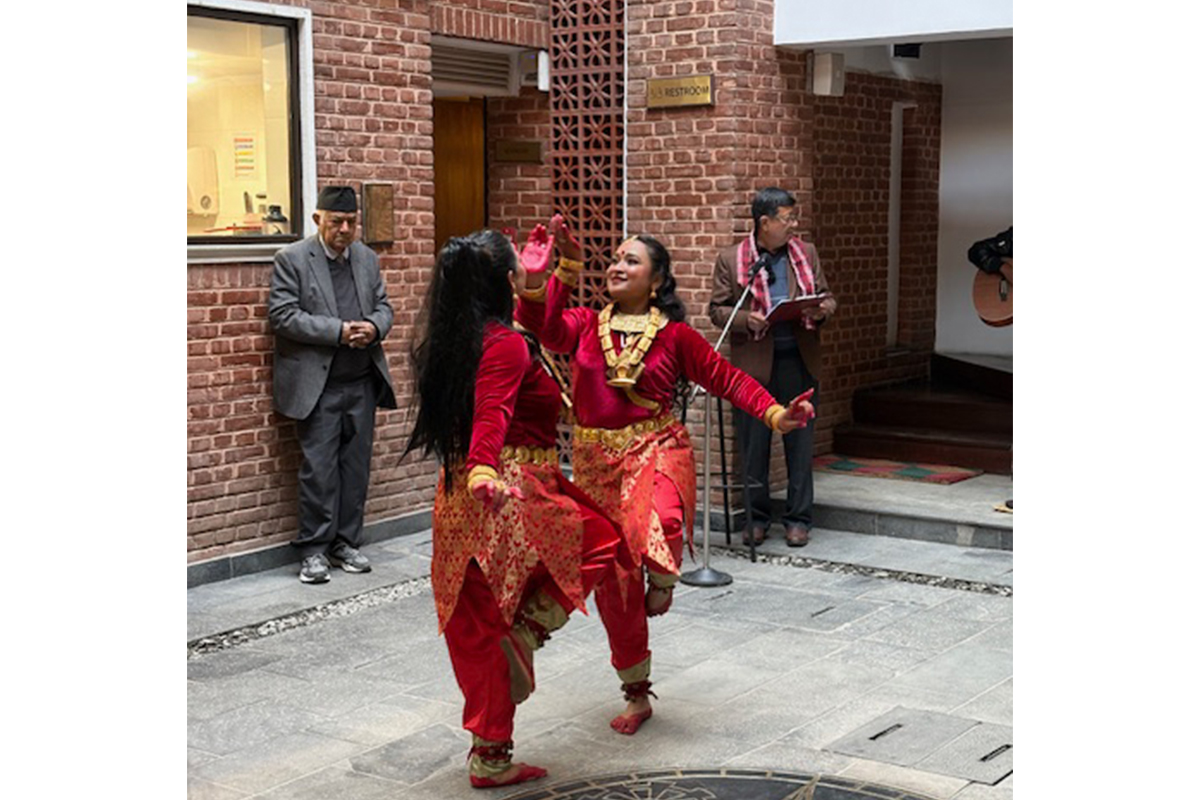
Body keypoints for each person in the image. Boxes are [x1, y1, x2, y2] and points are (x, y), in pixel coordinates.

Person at [517, 219, 813, 736]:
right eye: (614, 258)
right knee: (616, 588)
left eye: (631, 260)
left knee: (662, 520)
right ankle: (636, 694)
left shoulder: (675, 336)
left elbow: (727, 378)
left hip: (657, 448)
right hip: (594, 466)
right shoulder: (586, 324)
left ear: (656, 281)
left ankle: (664, 573)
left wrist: (775, 415)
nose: (616, 265)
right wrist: (558, 269)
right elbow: (546, 330)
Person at [404, 229, 631, 789]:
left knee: (477, 618)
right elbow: (492, 411)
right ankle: (526, 633)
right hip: (509, 487)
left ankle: (491, 755)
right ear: (506, 281)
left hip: (458, 495)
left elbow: (529, 339)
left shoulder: (451, 337)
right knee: (601, 540)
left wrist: (543, 279)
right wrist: (485, 466)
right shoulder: (502, 343)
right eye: (519, 273)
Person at [268, 186, 397, 584]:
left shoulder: (366, 258)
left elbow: (384, 307)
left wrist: (373, 327)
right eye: (337, 222)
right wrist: (339, 331)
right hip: (318, 387)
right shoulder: (292, 259)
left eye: (352, 223)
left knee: (355, 469)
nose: (345, 229)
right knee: (319, 471)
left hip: (361, 382)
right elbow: (283, 315)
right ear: (317, 220)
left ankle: (346, 544)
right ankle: (313, 552)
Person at [708, 187, 837, 548]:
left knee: (799, 443)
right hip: (754, 366)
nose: (793, 225)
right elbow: (717, 310)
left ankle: (798, 520)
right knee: (753, 445)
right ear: (764, 223)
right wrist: (746, 319)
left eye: (794, 218)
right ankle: (756, 518)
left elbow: (827, 296)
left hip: (798, 357)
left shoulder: (805, 253)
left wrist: (820, 309)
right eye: (787, 219)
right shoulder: (732, 258)